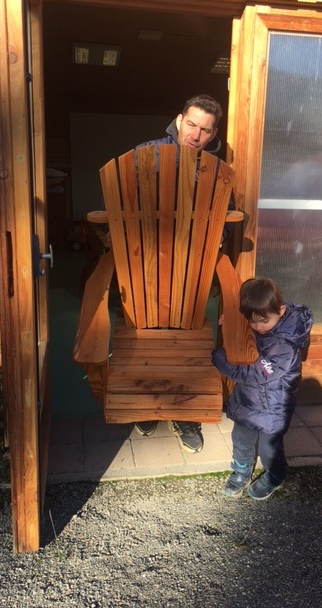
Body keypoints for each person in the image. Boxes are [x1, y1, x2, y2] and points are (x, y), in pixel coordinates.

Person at [133, 94, 224, 454]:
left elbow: (226, 217)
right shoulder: (147, 154)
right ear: (179, 119)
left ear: (213, 133)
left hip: (192, 268)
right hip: (147, 264)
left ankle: (183, 413)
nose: (196, 135)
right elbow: (121, 204)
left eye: (205, 130)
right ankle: (148, 403)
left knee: (187, 340)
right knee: (148, 336)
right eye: (192, 124)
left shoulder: (216, 169)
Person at [211, 277, 313, 499]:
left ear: (281, 311)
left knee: (270, 449)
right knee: (241, 439)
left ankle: (275, 475)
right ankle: (241, 471)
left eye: (263, 321)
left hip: (273, 407)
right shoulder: (264, 322)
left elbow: (256, 373)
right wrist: (229, 324)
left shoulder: (285, 346)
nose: (258, 327)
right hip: (248, 400)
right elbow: (246, 338)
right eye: (252, 321)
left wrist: (223, 362)